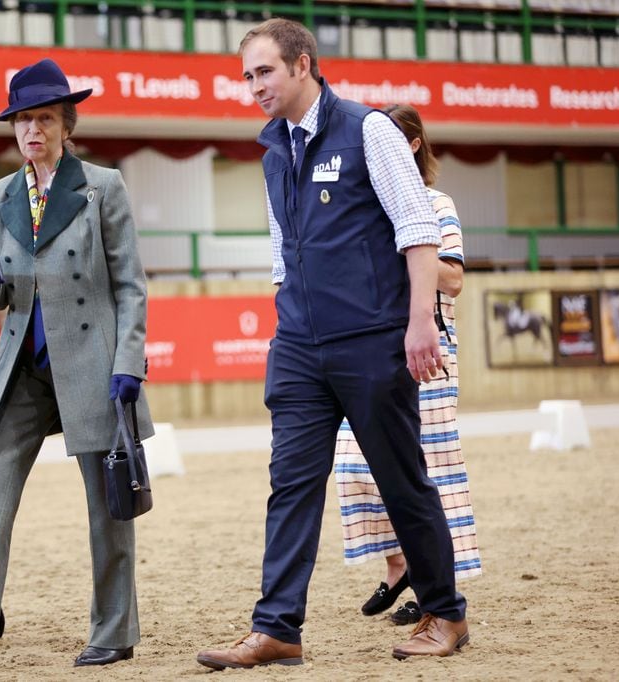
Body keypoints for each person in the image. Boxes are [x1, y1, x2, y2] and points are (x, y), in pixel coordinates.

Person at [196, 19, 468, 669]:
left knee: (401, 481)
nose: (254, 86)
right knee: (289, 483)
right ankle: (278, 626)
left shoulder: (369, 129)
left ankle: (446, 615)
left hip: (372, 339)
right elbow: (283, 253)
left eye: (264, 71)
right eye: (246, 76)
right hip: (298, 345)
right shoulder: (271, 151)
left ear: (302, 66)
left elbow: (416, 227)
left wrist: (419, 323)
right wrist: (284, 322)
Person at [0, 58, 152, 671]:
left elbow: (130, 286)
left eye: (44, 118)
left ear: (66, 124)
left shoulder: (103, 186)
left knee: (107, 504)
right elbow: (4, 294)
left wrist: (129, 363)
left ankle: (115, 629)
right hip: (21, 362)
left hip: (93, 364)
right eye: (22, 120)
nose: (32, 130)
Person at [334, 104, 481, 627]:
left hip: (430, 349)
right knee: (353, 465)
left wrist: (409, 251)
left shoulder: (436, 202)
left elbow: (455, 279)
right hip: (371, 349)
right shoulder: (365, 204)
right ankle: (401, 564)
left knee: (433, 469)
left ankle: (437, 585)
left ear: (414, 146)